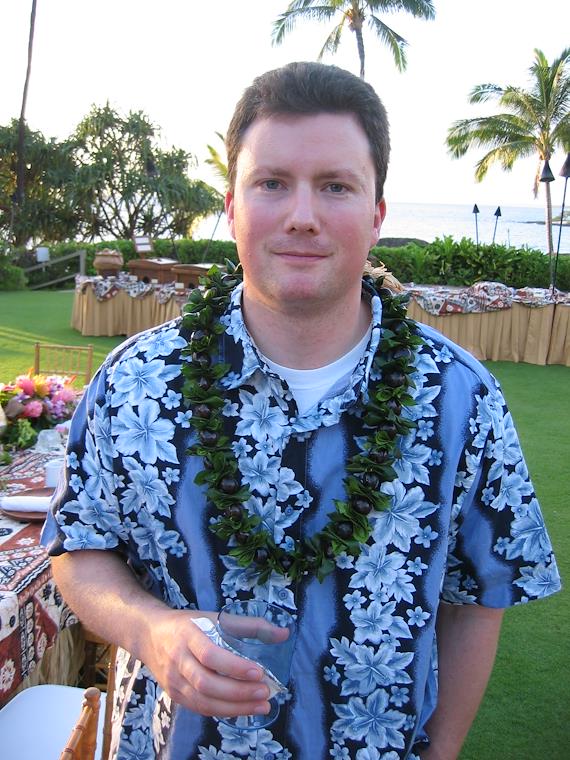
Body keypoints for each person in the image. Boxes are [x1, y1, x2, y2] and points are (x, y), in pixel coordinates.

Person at [42, 61, 561, 760]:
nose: (303, 216)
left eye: (336, 186)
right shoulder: (134, 384)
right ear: (232, 206)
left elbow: (477, 596)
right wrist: (149, 630)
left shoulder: (461, 399)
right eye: (272, 183)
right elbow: (79, 550)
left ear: (376, 215)